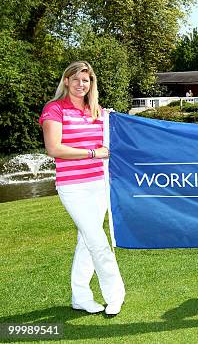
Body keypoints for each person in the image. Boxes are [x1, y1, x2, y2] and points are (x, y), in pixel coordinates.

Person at [39, 61, 125, 317]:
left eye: (85, 80)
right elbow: (54, 148)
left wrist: (111, 118)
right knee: (97, 241)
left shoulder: (95, 110)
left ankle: (80, 297)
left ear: (91, 84)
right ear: (66, 81)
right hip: (73, 187)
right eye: (75, 79)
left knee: (86, 242)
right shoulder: (54, 109)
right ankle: (115, 295)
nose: (80, 84)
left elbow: (110, 141)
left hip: (99, 184)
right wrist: (92, 153)